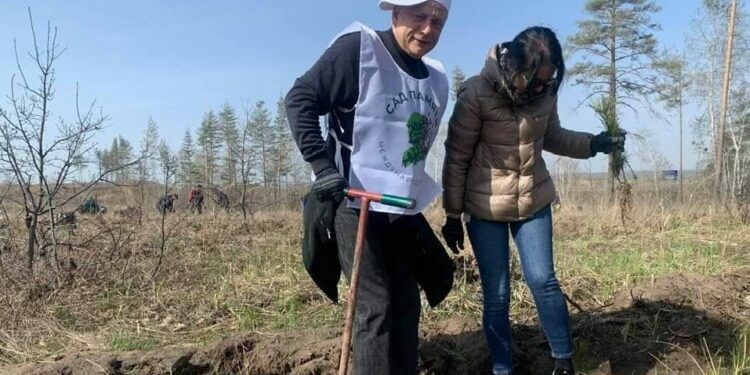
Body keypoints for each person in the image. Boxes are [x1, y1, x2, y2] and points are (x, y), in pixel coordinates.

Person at [440, 26, 625, 375]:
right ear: (514, 69)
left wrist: (593, 144)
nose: (543, 87)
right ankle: (501, 369)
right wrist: (452, 214)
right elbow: (457, 157)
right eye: (536, 81)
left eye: (549, 80)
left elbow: (552, 136)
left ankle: (563, 361)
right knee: (497, 294)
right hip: (486, 207)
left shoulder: (544, 92)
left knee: (542, 279)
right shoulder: (475, 95)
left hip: (533, 199)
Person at [286, 1, 453, 373]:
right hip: (352, 201)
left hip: (399, 208)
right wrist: (322, 167)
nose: (428, 29)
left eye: (438, 21)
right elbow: (300, 99)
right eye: (418, 17)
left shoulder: (436, 79)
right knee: (374, 307)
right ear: (395, 14)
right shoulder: (359, 51)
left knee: (407, 303)